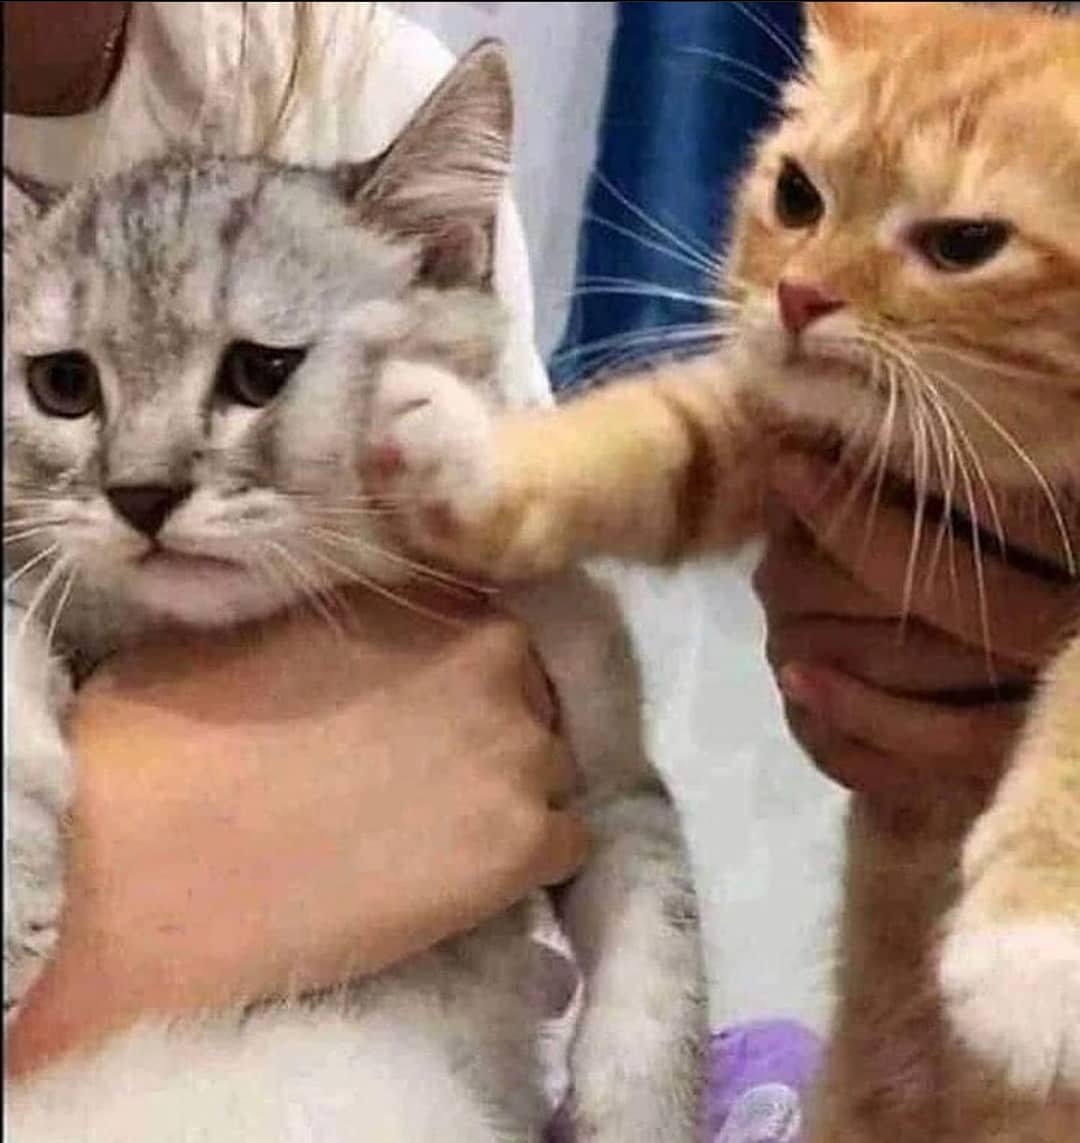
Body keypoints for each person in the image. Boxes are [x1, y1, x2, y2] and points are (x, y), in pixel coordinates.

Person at [3, 0, 583, 1077]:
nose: (142, 480)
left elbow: (509, 727)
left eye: (260, 369)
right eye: (69, 383)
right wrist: (159, 885)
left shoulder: (361, 88)